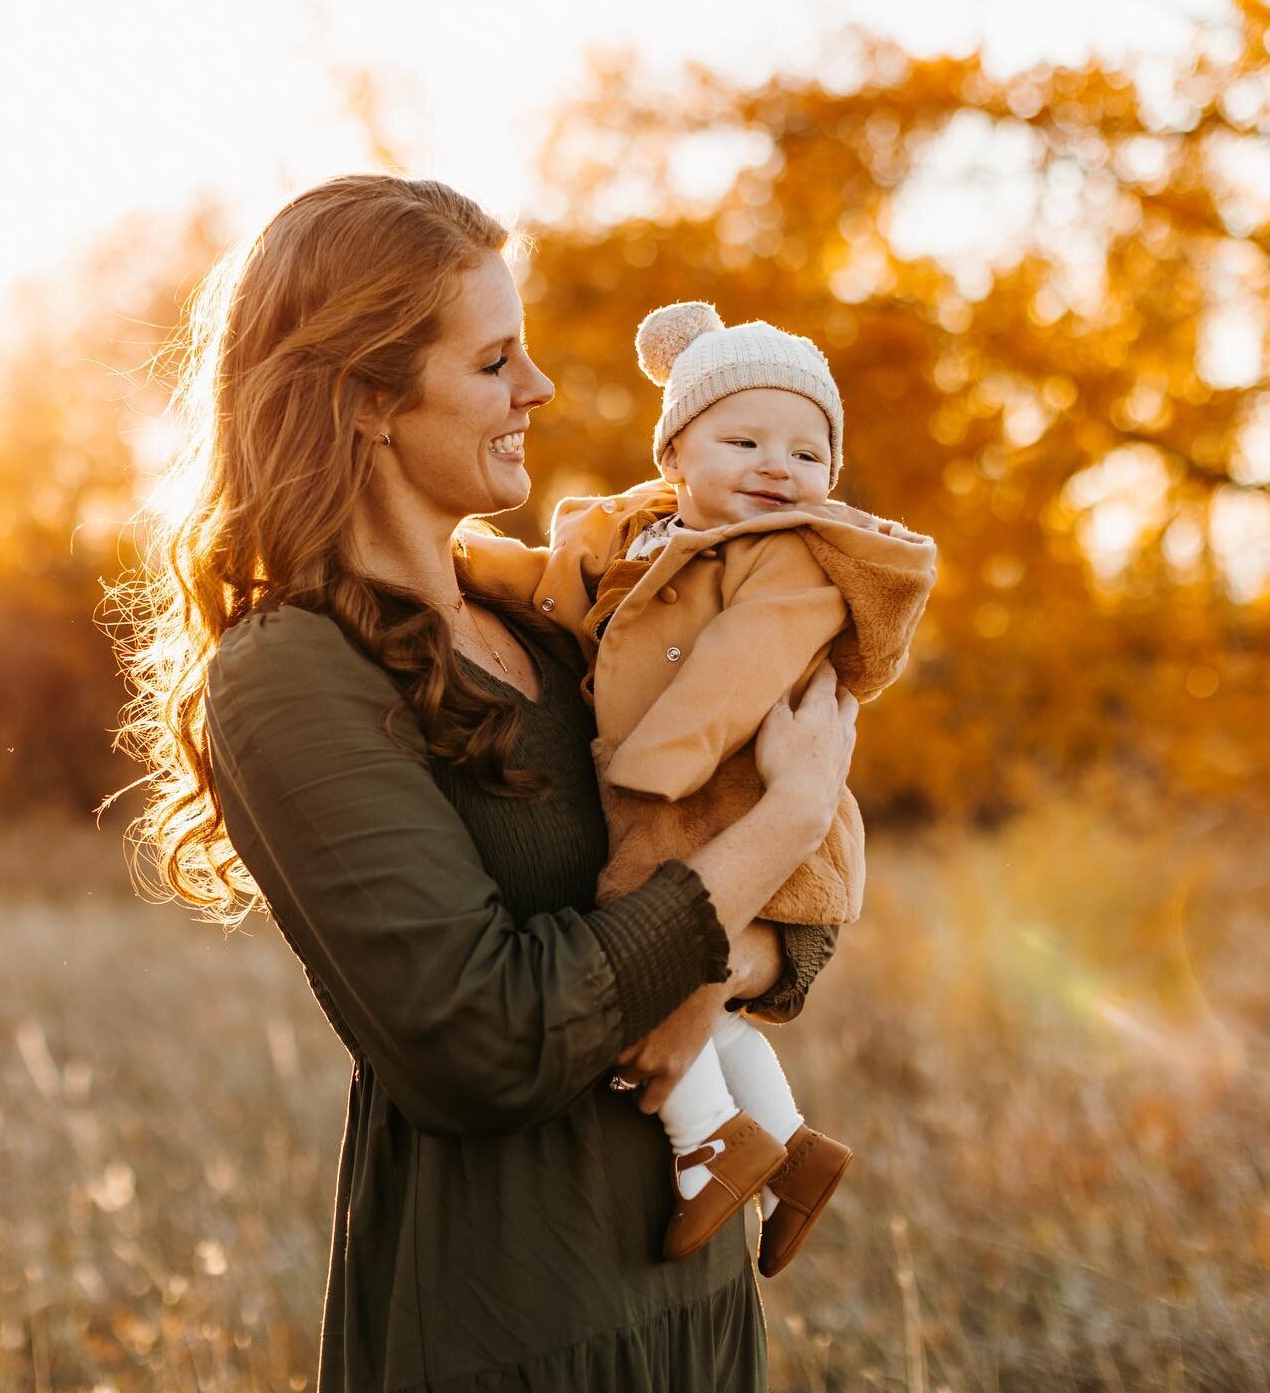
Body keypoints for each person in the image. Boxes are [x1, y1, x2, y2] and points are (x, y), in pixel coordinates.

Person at [109, 175, 858, 1393]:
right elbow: (486, 1043)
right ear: (366, 399)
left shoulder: (558, 626)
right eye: (496, 359)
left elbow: (791, 937)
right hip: (516, 1325)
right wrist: (787, 817)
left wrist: (722, 946)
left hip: (694, 1304)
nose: (540, 390)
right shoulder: (294, 671)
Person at [501, 300, 938, 1278]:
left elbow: (741, 667)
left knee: (644, 945)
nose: (779, 468)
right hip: (711, 811)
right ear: (675, 461)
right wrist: (464, 563)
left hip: (725, 809)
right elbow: (553, 590)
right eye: (745, 440)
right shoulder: (651, 541)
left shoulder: (787, 559)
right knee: (720, 1009)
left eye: (807, 454)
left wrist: (658, 763)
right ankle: (790, 1148)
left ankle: (709, 1143)